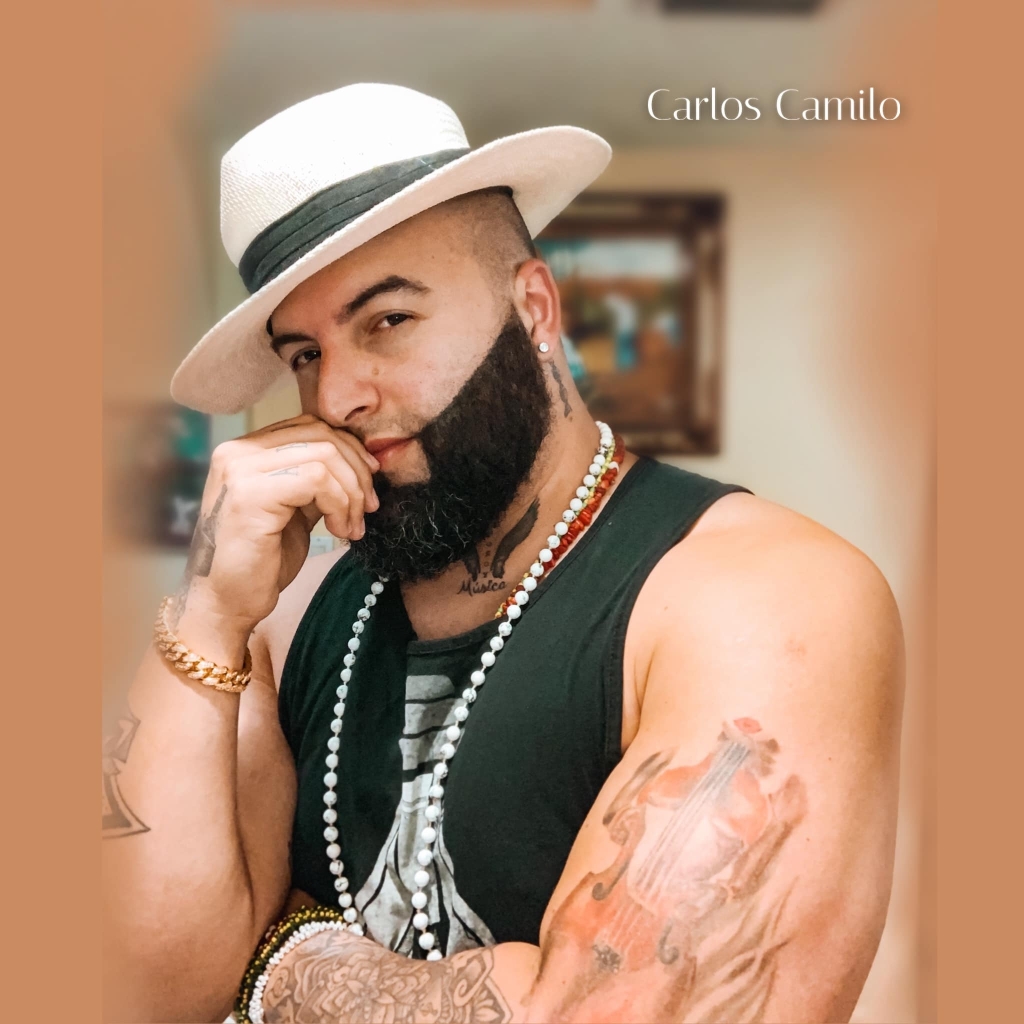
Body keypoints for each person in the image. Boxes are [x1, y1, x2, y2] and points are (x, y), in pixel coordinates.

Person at [102, 84, 905, 1024]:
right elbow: (138, 987)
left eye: (387, 321)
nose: (339, 396)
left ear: (532, 308)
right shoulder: (288, 614)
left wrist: (279, 955)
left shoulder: (766, 600)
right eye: (304, 355)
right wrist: (208, 615)